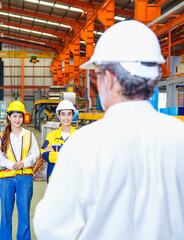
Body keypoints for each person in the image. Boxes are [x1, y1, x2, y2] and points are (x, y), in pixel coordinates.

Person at [33, 20, 184, 239]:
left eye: (96, 78)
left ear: (110, 79)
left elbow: (51, 228)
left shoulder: (84, 145)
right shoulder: (179, 136)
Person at [0, 101, 40, 240]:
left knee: (24, 213)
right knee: (6, 214)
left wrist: (24, 163)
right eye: (14, 116)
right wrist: (10, 164)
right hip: (7, 179)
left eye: (20, 116)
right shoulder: (2, 135)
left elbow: (35, 153)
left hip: (24, 179)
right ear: (9, 117)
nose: (17, 119)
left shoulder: (29, 135)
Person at [40, 99, 77, 182]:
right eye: (63, 114)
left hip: (73, 180)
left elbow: (80, 157)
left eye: (69, 114)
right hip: (54, 180)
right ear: (59, 116)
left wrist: (54, 153)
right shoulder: (51, 135)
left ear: (73, 116)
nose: (66, 118)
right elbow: (43, 153)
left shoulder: (78, 136)